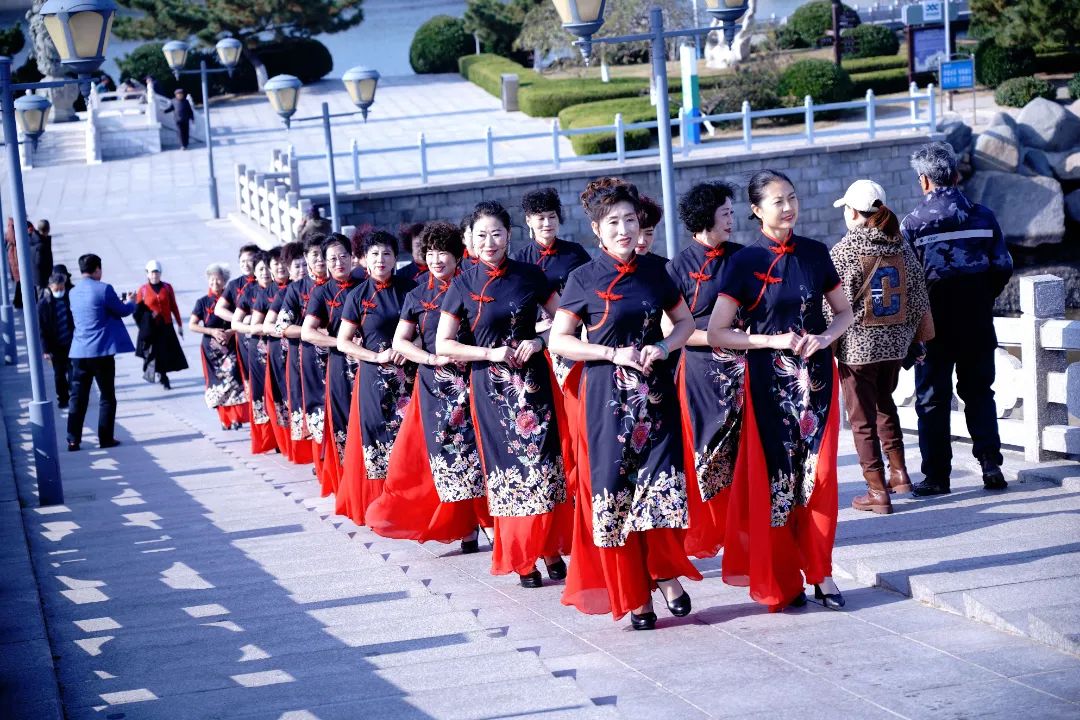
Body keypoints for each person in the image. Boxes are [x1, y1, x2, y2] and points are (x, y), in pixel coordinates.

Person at [551, 178, 700, 631]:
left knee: (659, 489)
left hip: (654, 398)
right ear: (597, 231)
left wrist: (664, 346)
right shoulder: (582, 278)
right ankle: (636, 594)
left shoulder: (659, 270)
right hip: (605, 402)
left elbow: (684, 323)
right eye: (613, 223)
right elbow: (560, 340)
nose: (623, 230)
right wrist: (610, 353)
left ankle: (666, 574)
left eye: (630, 221)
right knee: (615, 495)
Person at [706, 169, 854, 612]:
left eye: (791, 197)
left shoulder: (814, 253)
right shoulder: (743, 262)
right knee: (779, 484)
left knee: (820, 479)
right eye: (776, 201)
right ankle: (783, 579)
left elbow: (844, 313)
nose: (788, 207)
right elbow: (717, 332)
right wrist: (771, 340)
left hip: (818, 386)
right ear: (756, 210)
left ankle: (822, 573)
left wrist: (825, 339)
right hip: (769, 387)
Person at [436, 201, 571, 588]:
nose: (489, 241)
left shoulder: (531, 275)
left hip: (534, 387)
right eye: (481, 235)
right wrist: (487, 353)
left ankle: (549, 547)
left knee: (544, 467)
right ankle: (523, 557)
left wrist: (539, 341)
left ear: (509, 235)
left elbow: (565, 325)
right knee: (509, 472)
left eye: (496, 233)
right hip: (491, 390)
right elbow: (445, 344)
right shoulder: (461, 284)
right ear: (470, 241)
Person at [366, 221, 491, 552]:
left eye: (444, 253)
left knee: (481, 451)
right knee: (451, 456)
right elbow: (401, 342)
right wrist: (429, 358)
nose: (437, 260)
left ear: (458, 255)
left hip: (476, 379)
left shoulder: (474, 286)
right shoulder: (417, 294)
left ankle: (490, 518)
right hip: (436, 386)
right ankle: (466, 525)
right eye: (431, 254)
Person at [901, 142, 1013, 496]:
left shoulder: (914, 224)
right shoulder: (984, 216)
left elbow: (907, 282)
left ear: (924, 181)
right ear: (955, 174)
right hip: (978, 322)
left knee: (932, 399)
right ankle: (991, 464)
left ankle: (937, 477)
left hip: (933, 328)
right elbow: (1003, 267)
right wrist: (980, 298)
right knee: (980, 392)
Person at [830, 180, 931, 513]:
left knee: (861, 421)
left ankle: (877, 491)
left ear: (855, 212)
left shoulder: (845, 250)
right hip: (895, 349)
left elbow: (832, 303)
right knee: (885, 405)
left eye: (847, 208)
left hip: (857, 350)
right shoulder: (900, 246)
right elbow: (918, 298)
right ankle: (900, 475)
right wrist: (902, 335)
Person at [668, 181, 745, 558]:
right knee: (705, 450)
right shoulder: (678, 267)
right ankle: (706, 529)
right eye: (725, 213)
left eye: (732, 212)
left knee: (743, 447)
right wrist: (717, 338)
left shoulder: (744, 258)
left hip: (744, 369)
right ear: (705, 218)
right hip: (699, 372)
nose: (732, 219)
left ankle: (741, 529)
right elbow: (671, 329)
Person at [335, 231, 417, 522]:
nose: (380, 260)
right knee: (378, 441)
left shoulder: (413, 288)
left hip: (410, 377)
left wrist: (413, 349)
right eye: (374, 255)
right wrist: (376, 356)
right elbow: (343, 341)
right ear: (364, 261)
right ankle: (384, 508)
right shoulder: (356, 296)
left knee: (410, 439)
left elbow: (427, 330)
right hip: (374, 379)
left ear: (396, 258)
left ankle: (411, 505)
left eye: (386, 254)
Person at [303, 234, 363, 496]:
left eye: (342, 257)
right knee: (344, 424)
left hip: (372, 365)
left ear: (352, 258)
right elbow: (307, 332)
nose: (338, 263)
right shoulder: (322, 291)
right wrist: (340, 341)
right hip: (340, 366)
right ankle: (349, 485)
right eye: (332, 259)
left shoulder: (365, 285)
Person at [513, 187, 591, 386]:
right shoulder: (520, 260)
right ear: (528, 220)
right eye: (540, 218)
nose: (547, 223)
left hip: (574, 335)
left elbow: (591, 293)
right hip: (537, 341)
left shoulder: (575, 253)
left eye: (552, 216)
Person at [66, 253, 136, 451]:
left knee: (78, 397)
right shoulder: (104, 289)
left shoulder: (72, 292)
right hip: (101, 352)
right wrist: (131, 301)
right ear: (97, 269)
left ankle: (73, 439)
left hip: (79, 352)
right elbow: (122, 310)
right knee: (107, 396)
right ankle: (105, 438)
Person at [278, 237, 329, 473]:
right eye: (314, 255)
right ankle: (321, 457)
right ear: (307, 259)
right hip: (307, 357)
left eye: (323, 254)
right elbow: (282, 326)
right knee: (315, 405)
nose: (319, 259)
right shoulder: (296, 289)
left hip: (341, 357)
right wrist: (315, 332)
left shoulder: (343, 283)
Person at [267, 241, 314, 464]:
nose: (302, 270)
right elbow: (274, 325)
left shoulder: (321, 286)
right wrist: (311, 332)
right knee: (305, 402)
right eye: (296, 267)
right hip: (298, 353)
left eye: (304, 265)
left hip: (330, 355)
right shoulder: (290, 292)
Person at [189, 264, 248, 430]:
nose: (215, 282)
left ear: (225, 281)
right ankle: (224, 420)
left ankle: (237, 417)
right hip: (211, 351)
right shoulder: (202, 302)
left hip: (230, 345)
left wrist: (230, 332)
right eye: (212, 279)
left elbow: (239, 321)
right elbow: (192, 325)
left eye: (218, 279)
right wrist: (211, 331)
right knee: (217, 383)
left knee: (235, 379)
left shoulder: (231, 301)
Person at [232, 251, 277, 454]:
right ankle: (267, 437)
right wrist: (253, 327)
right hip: (258, 348)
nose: (265, 273)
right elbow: (235, 322)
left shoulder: (280, 289)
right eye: (260, 269)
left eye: (268, 269)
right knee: (261, 392)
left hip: (279, 349)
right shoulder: (250, 292)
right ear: (255, 273)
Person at [258, 246, 295, 456]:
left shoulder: (295, 288)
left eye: (283, 263)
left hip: (298, 350)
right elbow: (263, 325)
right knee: (283, 396)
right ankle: (284, 441)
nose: (280, 268)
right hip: (277, 350)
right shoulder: (270, 293)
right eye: (275, 265)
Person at [134, 259, 187, 390]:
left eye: (157, 272)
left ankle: (163, 376)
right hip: (151, 328)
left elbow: (174, 306)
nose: (154, 275)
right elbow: (137, 311)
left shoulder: (167, 287)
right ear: (147, 274)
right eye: (152, 273)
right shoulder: (143, 290)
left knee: (164, 353)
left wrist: (179, 324)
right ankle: (162, 376)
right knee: (153, 353)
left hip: (165, 326)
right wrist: (143, 325)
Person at [215, 244, 260, 382]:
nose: (245, 264)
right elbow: (219, 309)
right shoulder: (235, 284)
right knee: (248, 377)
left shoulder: (264, 282)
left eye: (249, 260)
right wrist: (240, 319)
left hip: (262, 334)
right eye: (242, 261)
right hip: (241, 335)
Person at [38, 272, 75, 409]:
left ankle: (75, 393)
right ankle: (63, 398)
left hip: (72, 342)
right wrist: (45, 350)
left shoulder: (70, 299)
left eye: (61, 288)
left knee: (74, 370)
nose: (59, 292)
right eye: (56, 289)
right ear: (50, 287)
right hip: (55, 346)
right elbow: (41, 329)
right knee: (59, 374)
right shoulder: (43, 305)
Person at [635, 194, 667, 262]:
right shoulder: (609, 269)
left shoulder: (665, 267)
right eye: (636, 233)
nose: (642, 241)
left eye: (649, 233)